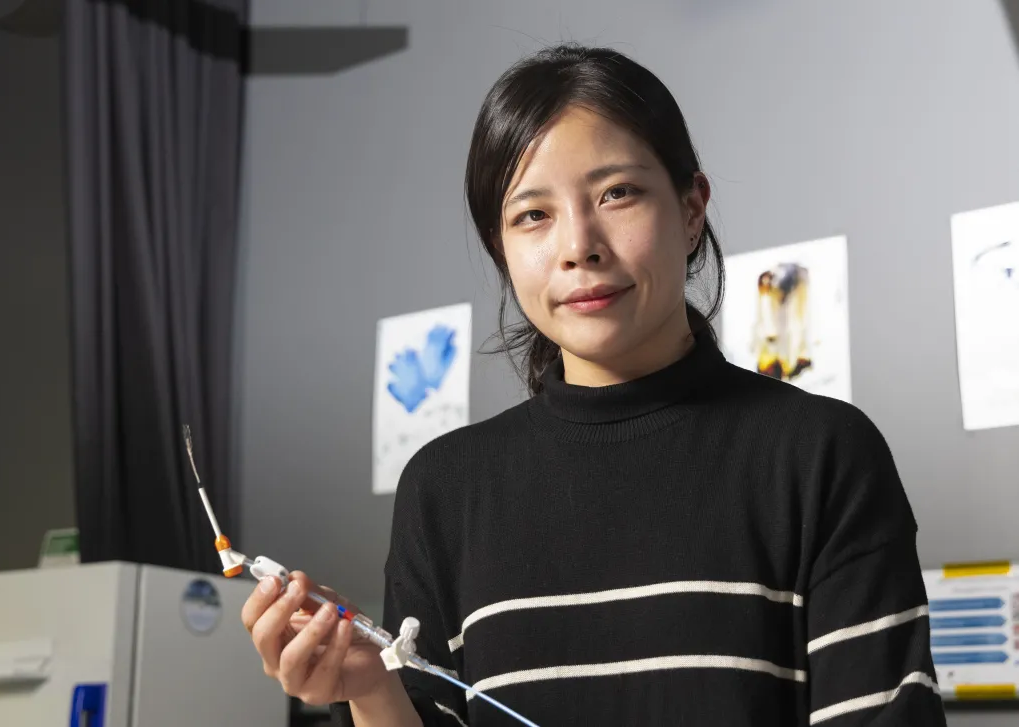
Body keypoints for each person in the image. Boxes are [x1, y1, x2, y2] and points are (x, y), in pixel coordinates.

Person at [240, 43, 947, 726]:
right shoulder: (445, 488)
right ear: (502, 248)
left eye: (618, 192)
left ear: (692, 208)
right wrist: (368, 685)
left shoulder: (822, 454)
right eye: (533, 215)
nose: (579, 244)